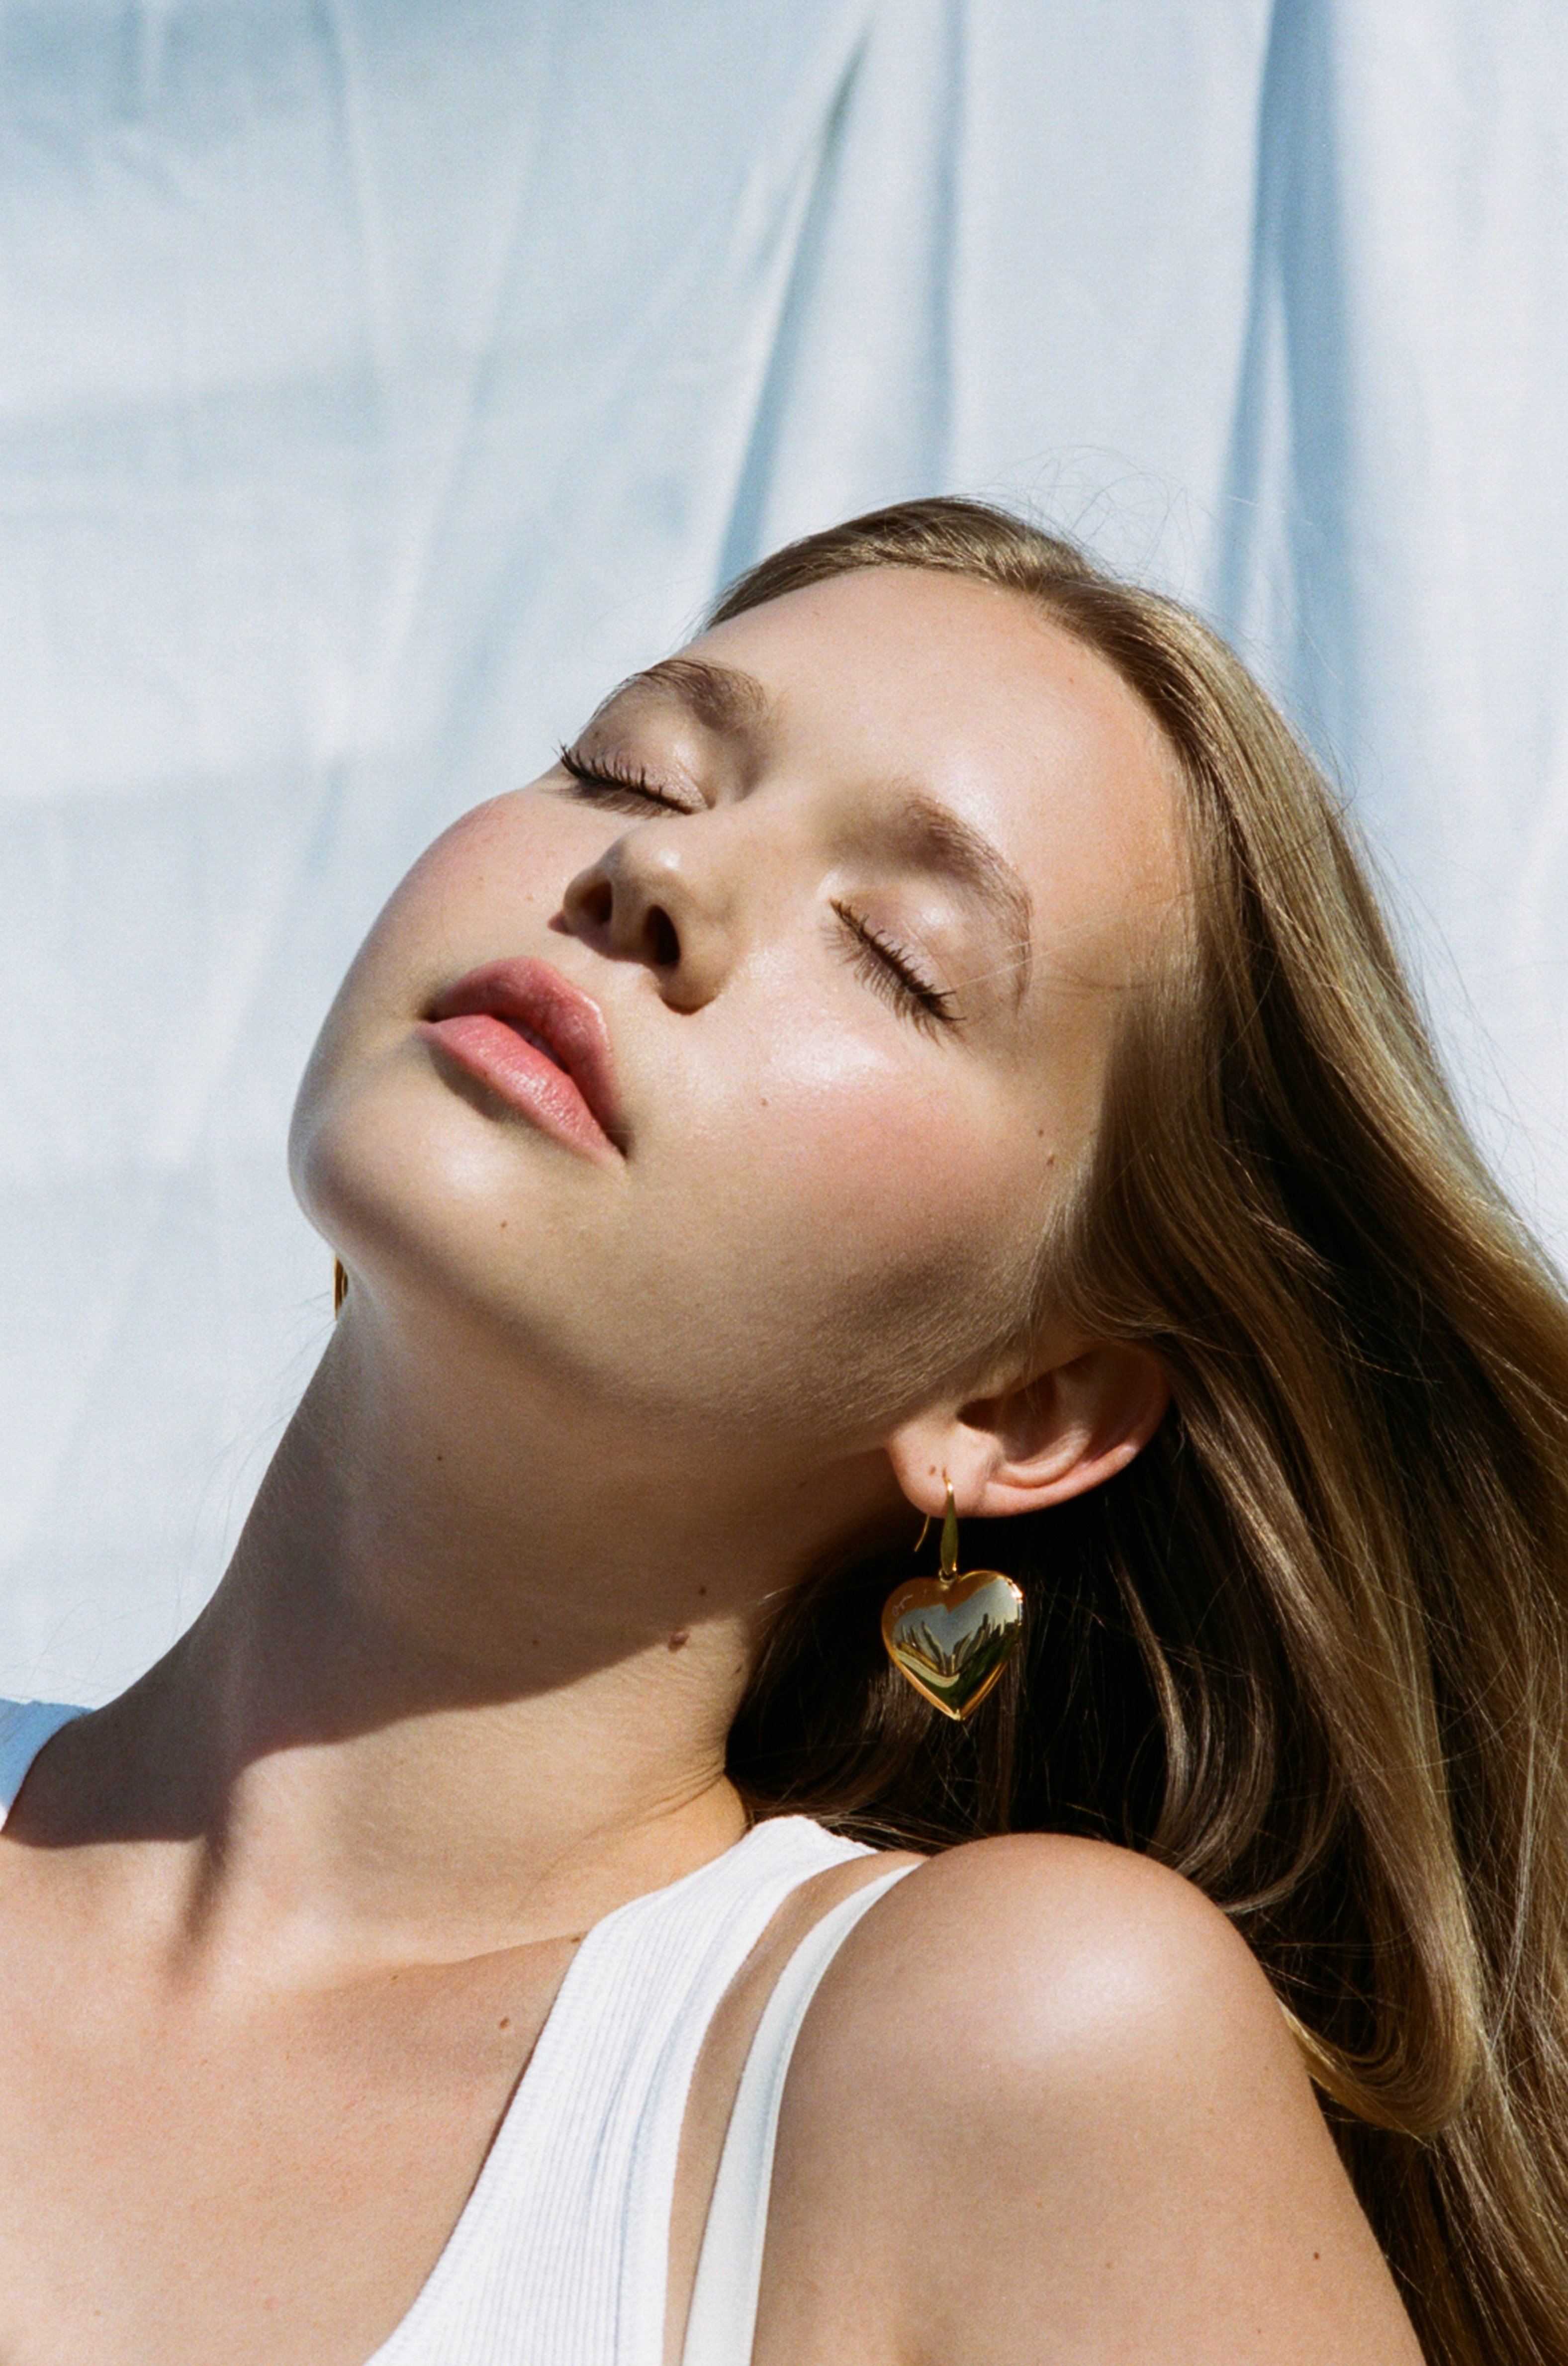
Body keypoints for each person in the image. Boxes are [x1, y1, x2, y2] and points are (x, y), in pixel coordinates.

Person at [0, 497, 1562, 2366]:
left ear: (1018, 1407)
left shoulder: (996, 2048)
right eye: (629, 770)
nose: (655, 882)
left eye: (898, 957)